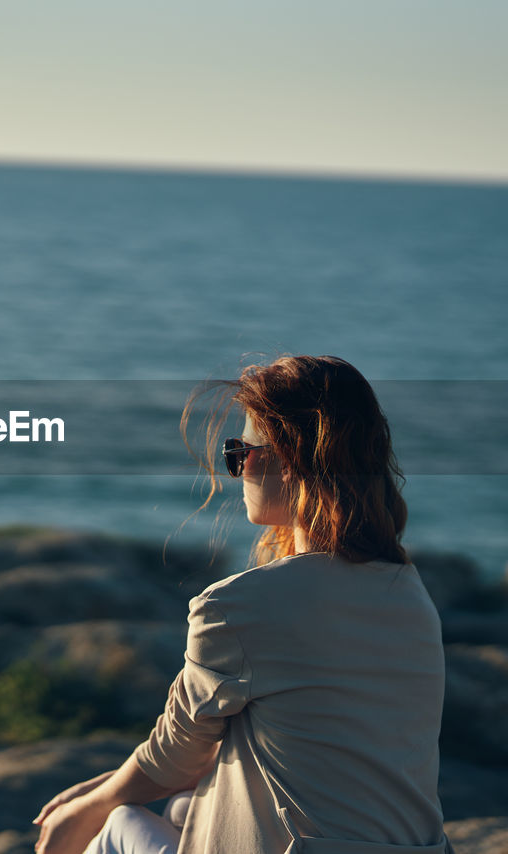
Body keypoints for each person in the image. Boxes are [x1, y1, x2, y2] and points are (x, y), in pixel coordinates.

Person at [32, 354, 455, 854]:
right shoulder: (407, 591)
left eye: (241, 452)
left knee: (118, 822)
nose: (235, 470)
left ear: (289, 455)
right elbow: (321, 746)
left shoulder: (241, 606)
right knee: (184, 808)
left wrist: (82, 809)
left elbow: (174, 757)